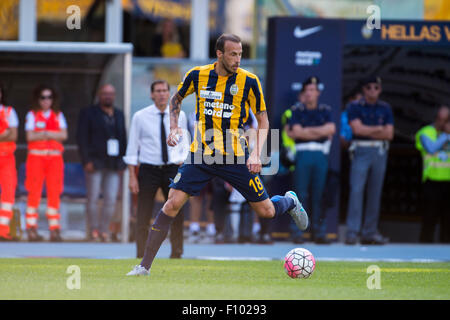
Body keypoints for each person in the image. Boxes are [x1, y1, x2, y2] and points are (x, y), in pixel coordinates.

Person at [127, 33, 309, 276]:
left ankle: (290, 201)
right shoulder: (198, 75)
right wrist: (174, 127)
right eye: (233, 54)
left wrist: (256, 153)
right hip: (201, 155)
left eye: (240, 54)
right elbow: (176, 98)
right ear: (219, 54)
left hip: (235, 157)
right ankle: (143, 267)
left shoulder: (250, 81)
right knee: (172, 204)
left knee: (265, 211)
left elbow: (264, 121)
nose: (238, 59)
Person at [124, 80, 189, 258]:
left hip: (172, 169)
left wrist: (184, 172)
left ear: (169, 94)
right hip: (148, 168)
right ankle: (141, 254)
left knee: (177, 210)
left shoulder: (179, 115)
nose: (161, 94)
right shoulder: (140, 116)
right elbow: (132, 147)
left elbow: (185, 145)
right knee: (143, 213)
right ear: (152, 94)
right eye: (158, 91)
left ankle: (177, 252)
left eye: (164, 91)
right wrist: (132, 176)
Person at [285, 76, 336, 244]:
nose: (309, 93)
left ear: (318, 93)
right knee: (300, 194)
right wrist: (319, 131)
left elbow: (331, 129)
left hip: (320, 154)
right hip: (303, 153)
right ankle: (297, 232)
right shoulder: (297, 110)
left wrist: (307, 131)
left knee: (319, 194)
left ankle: (319, 232)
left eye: (312, 90)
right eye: (306, 90)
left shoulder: (325, 110)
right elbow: (296, 133)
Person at [345, 76, 393, 245]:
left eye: (376, 87)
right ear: (364, 90)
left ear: (380, 89)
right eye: (369, 87)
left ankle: (370, 232)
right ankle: (352, 232)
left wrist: (369, 130)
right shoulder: (354, 106)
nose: (373, 90)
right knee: (356, 190)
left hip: (379, 150)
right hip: (361, 148)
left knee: (375, 192)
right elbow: (357, 129)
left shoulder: (385, 108)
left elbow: (389, 134)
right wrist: (379, 128)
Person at [76, 84, 127, 242]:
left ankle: (104, 230)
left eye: (111, 94)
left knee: (111, 199)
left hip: (113, 163)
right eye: (105, 94)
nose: (108, 96)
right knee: (93, 198)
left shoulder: (118, 114)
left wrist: (122, 162)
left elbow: (123, 138)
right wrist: (86, 160)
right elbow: (82, 138)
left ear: (114, 95)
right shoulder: (89, 113)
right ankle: (93, 230)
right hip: (95, 161)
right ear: (99, 95)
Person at [24, 85, 68, 242]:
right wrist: (52, 134)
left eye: (49, 97)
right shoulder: (32, 115)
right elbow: (30, 136)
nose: (46, 100)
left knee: (54, 193)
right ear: (38, 99)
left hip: (55, 159)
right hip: (36, 158)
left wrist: (43, 133)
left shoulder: (58, 115)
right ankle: (31, 228)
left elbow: (64, 135)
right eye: (43, 97)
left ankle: (54, 229)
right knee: (33, 192)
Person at [415, 106, 450, 243]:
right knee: (429, 219)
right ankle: (424, 252)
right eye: (441, 119)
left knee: (448, 222)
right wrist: (446, 136)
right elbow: (431, 148)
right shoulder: (425, 132)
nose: (443, 123)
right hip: (432, 181)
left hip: (448, 182)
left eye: (446, 120)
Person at [0, 84, 19, 241]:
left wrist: (7, 134)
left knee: (8, 192)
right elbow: (7, 134)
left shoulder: (9, 112)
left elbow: (13, 135)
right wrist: (4, 134)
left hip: (6, 157)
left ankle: (3, 229)